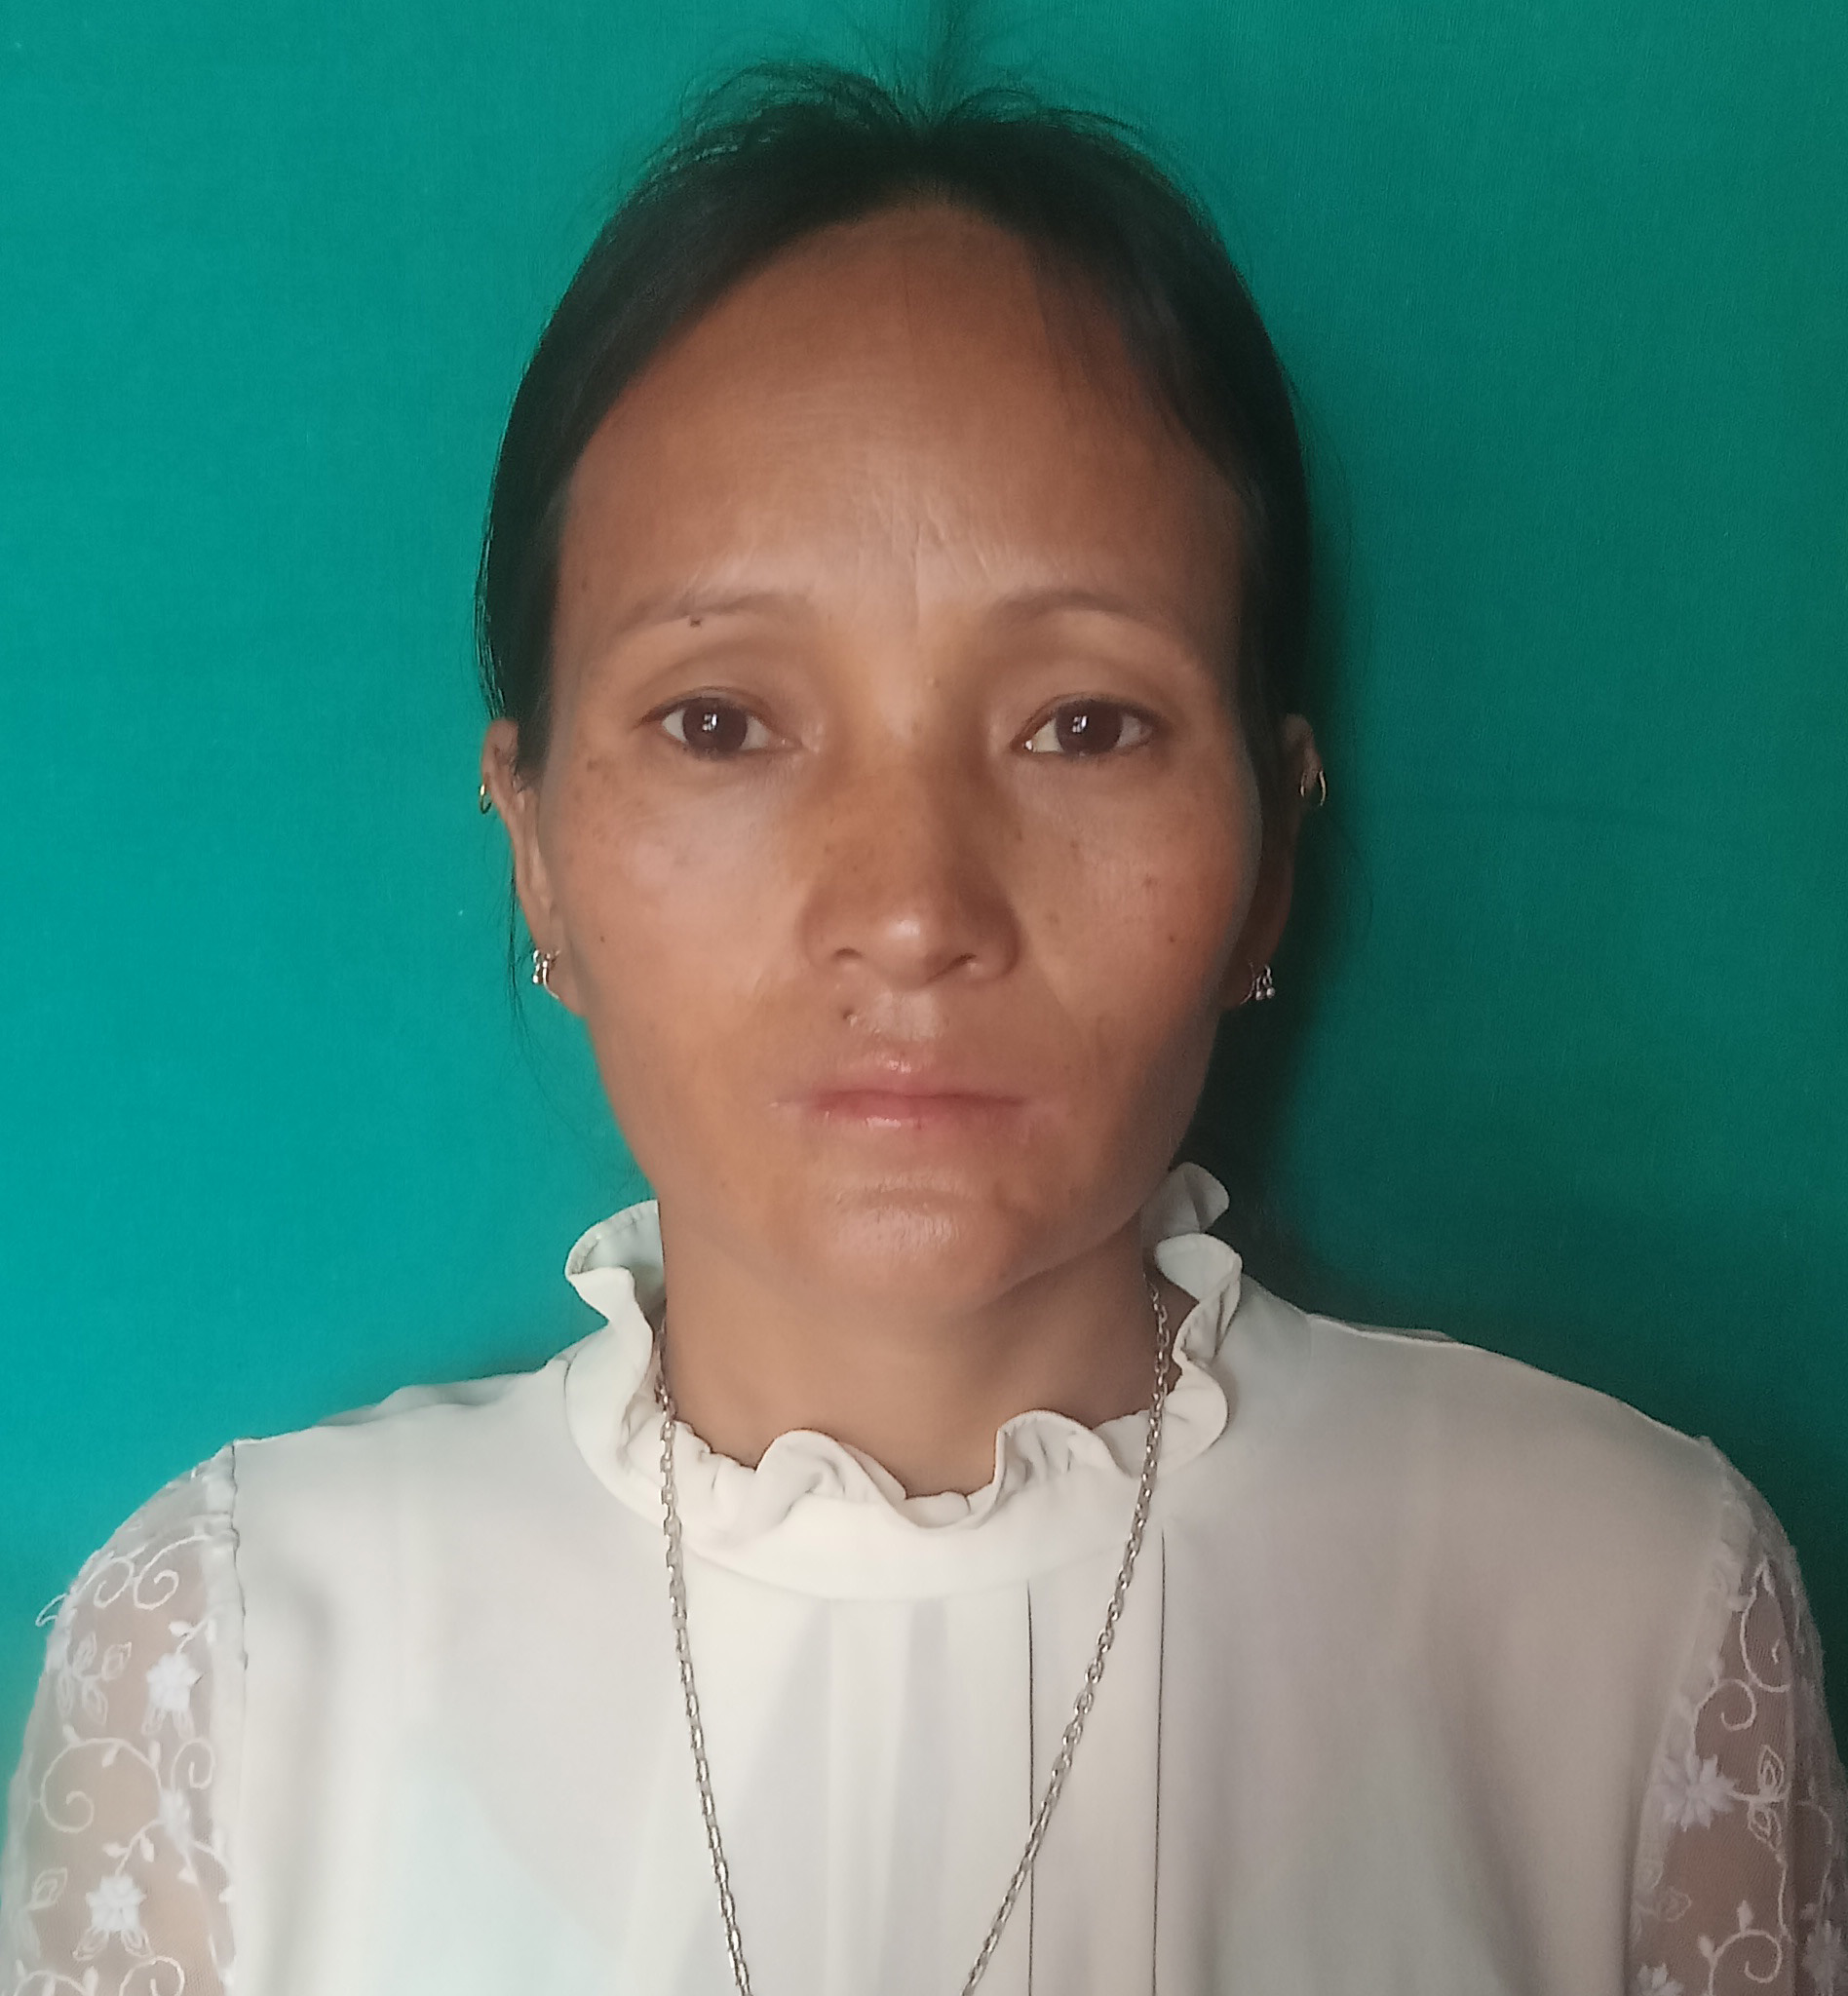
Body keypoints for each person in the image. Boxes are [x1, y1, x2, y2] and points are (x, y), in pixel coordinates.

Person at [2, 64, 1842, 1996]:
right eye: (721, 722)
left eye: (1086, 724)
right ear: (535, 847)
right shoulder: (233, 1669)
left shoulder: (1627, 1623)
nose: (909, 906)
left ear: (1270, 855)